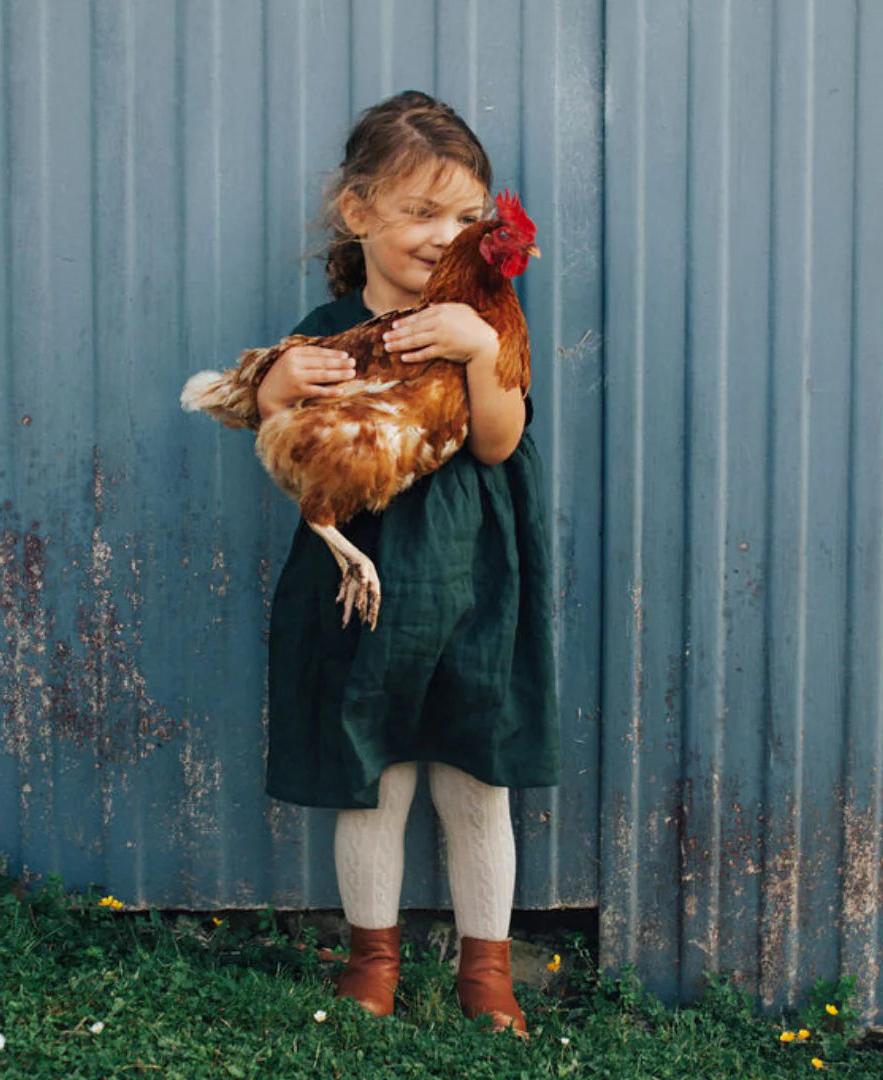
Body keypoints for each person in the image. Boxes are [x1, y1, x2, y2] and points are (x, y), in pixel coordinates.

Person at [255, 91, 558, 1036]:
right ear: (358, 213)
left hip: (473, 570)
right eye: (419, 211)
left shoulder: (488, 315)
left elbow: (502, 442)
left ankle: (487, 971)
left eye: (465, 215)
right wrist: (273, 382)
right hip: (366, 574)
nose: (443, 234)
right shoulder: (327, 321)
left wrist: (476, 351)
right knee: (373, 775)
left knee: (476, 777)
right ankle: (372, 961)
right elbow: (282, 437)